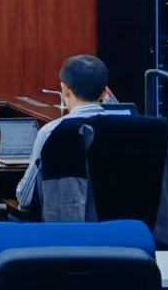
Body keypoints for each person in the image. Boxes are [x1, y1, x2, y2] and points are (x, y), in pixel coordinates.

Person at [15, 55, 110, 210]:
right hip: (122, 223)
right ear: (105, 92)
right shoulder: (128, 129)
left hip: (68, 223)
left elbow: (26, 198)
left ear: (65, 89)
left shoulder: (51, 131)